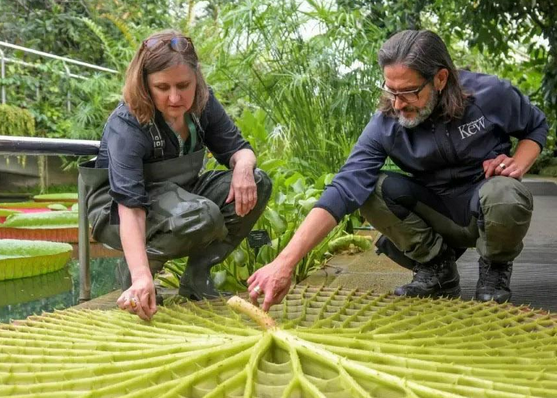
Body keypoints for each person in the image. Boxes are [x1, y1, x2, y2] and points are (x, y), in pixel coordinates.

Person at [248, 29, 548, 310]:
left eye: (409, 92)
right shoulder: (385, 122)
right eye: (391, 90)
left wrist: (519, 162)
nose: (398, 104)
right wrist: (284, 262)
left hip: (484, 203)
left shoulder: (489, 94)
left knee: (507, 193)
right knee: (369, 190)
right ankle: (436, 270)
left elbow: (535, 125)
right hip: (436, 210)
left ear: (440, 78)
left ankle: (494, 271)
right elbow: (343, 187)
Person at [80, 30, 272, 320]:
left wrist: (244, 168)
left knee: (258, 182)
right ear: (145, 84)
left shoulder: (203, 104)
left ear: (197, 79)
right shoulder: (127, 125)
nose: (174, 97)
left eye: (183, 85)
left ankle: (196, 276)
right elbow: (130, 207)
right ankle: (136, 278)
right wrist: (141, 272)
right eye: (162, 87)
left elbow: (240, 150)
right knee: (201, 214)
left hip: (182, 193)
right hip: (116, 210)